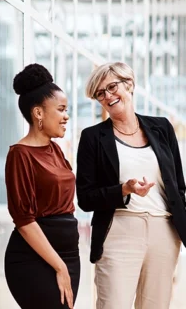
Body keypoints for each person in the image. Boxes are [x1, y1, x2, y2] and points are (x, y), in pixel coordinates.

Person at [76, 62, 186, 309]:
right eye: (100, 93)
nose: (108, 96)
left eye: (112, 87)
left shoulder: (162, 128)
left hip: (164, 230)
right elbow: (85, 197)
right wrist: (122, 190)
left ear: (130, 85)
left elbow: (178, 186)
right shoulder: (92, 137)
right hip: (119, 229)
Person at [4, 64, 80, 309]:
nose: (66, 116)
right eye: (60, 109)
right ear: (38, 113)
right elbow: (24, 220)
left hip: (69, 254)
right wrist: (58, 266)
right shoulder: (20, 155)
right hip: (33, 258)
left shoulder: (56, 150)